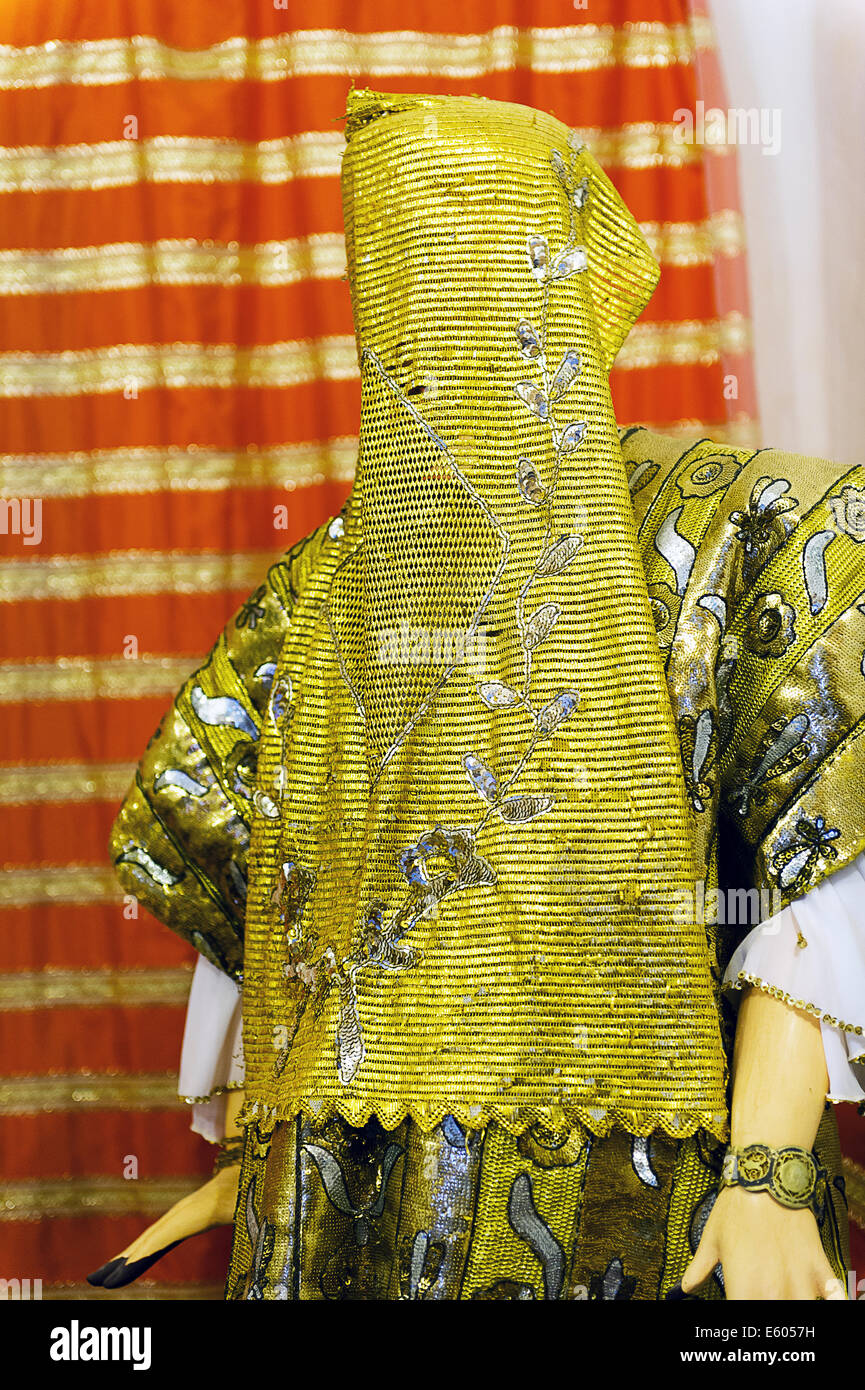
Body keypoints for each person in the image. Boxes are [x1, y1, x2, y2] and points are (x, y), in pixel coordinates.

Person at [92, 88, 863, 1300]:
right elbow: (277, 920)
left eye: (468, 275)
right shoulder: (320, 598)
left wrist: (766, 1173)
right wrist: (267, 1164)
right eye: (401, 291)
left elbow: (823, 843)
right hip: (353, 1209)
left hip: (648, 1206)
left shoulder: (729, 530)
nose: (434, 330)